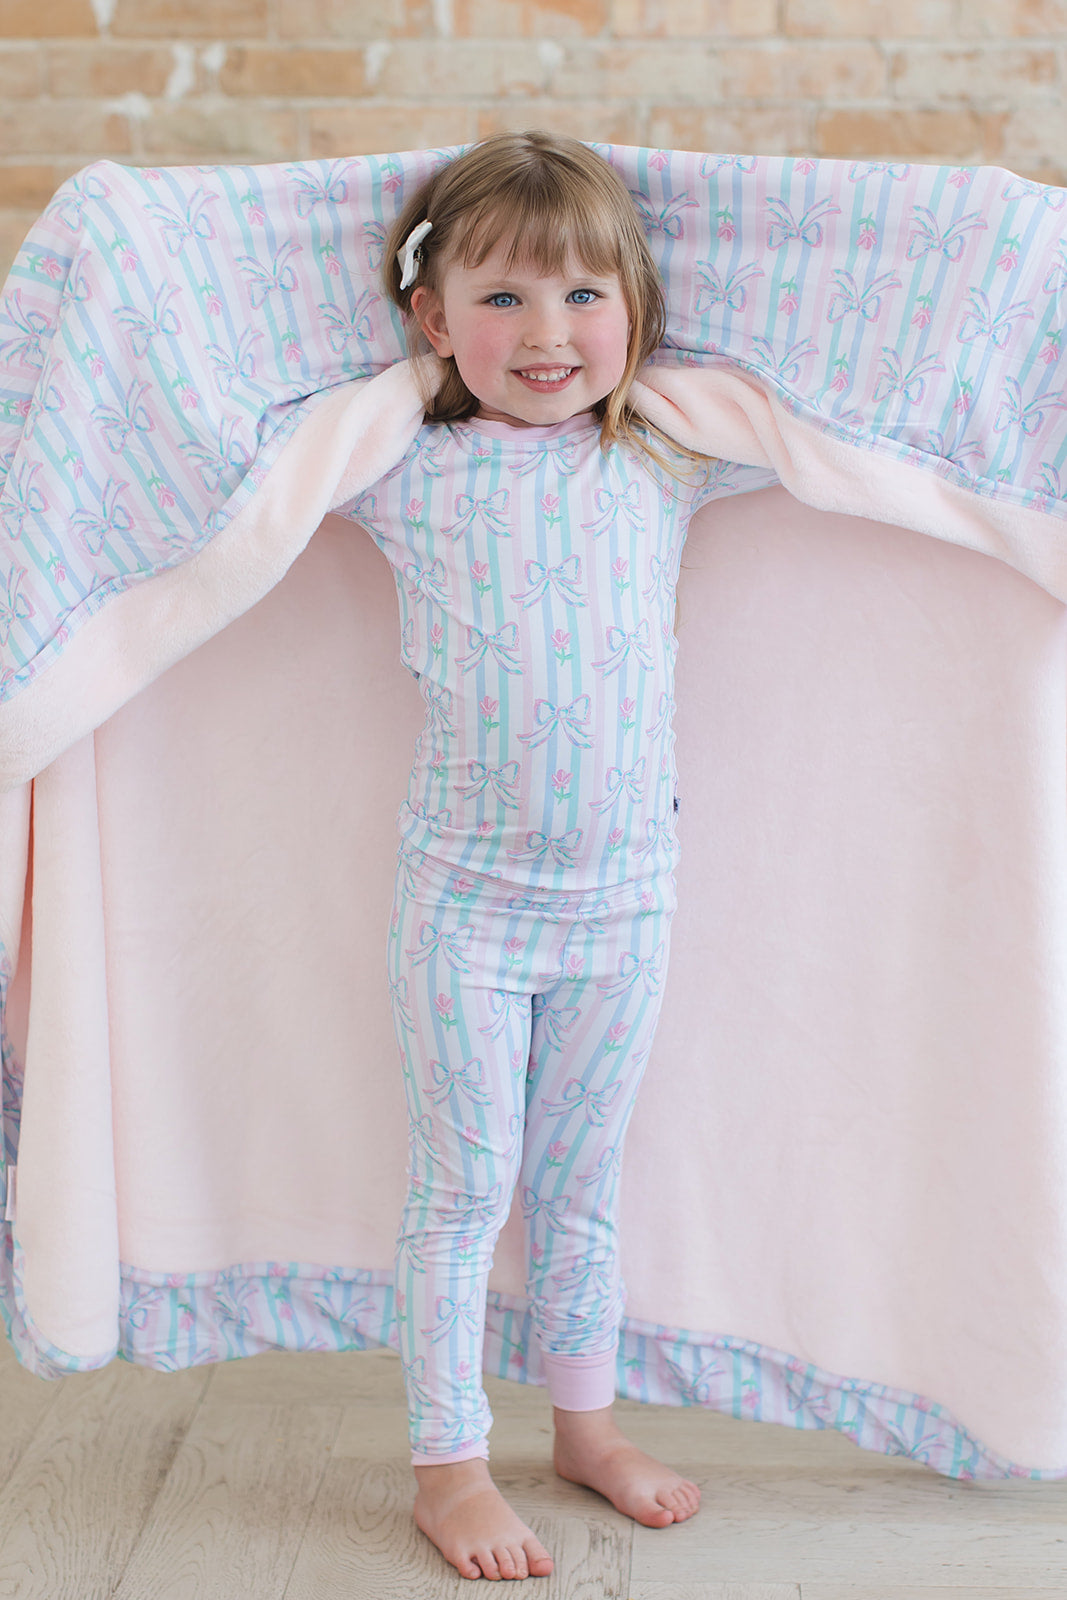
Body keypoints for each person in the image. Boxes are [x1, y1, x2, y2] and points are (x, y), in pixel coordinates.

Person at [339, 129, 718, 1582]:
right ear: (432, 322)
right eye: (501, 297)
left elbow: (826, 405)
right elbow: (256, 428)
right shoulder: (403, 467)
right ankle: (448, 1466)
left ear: (636, 312)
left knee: (582, 1181)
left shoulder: (666, 454)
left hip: (626, 906)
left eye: (582, 296)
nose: (548, 334)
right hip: (468, 908)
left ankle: (585, 1427)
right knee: (464, 1187)